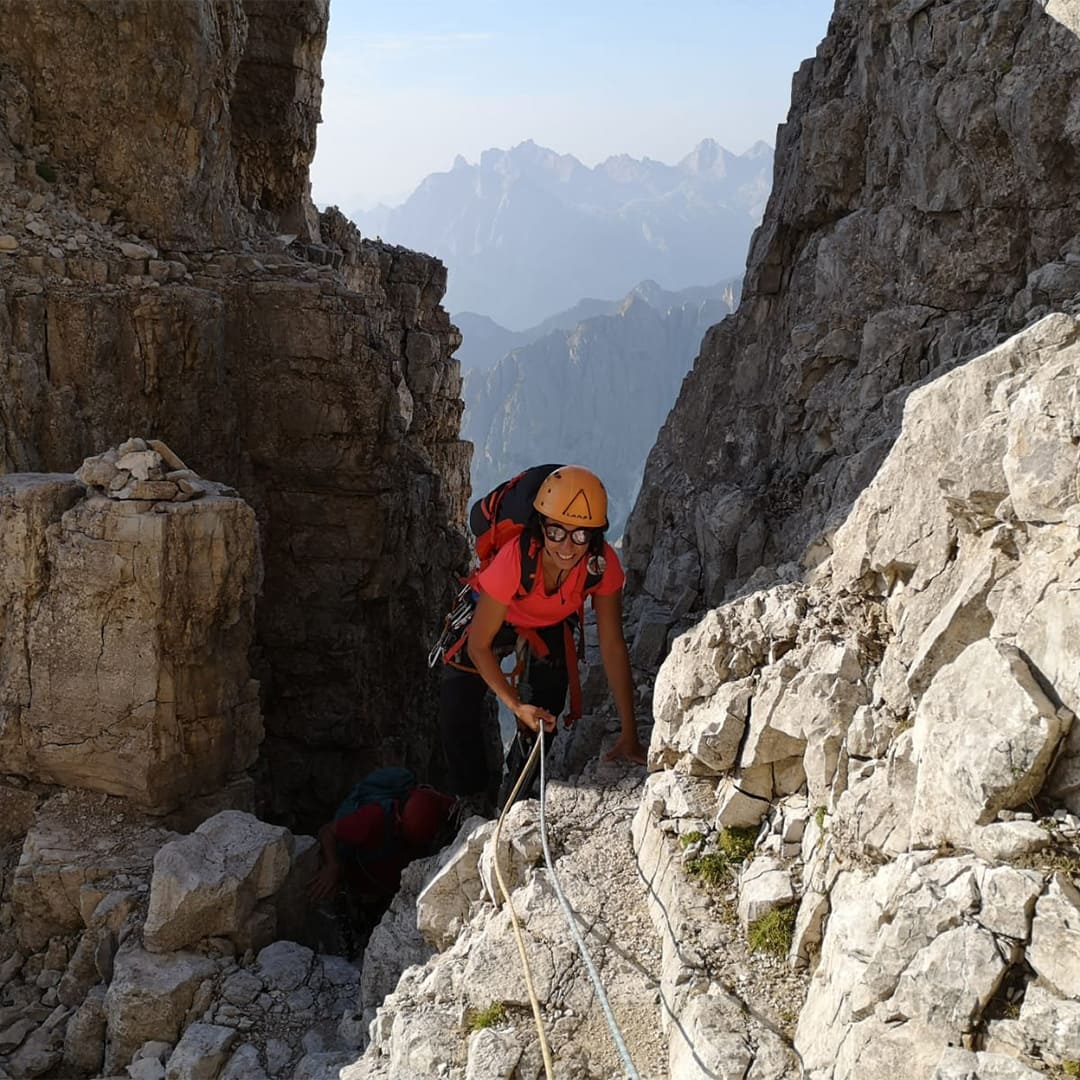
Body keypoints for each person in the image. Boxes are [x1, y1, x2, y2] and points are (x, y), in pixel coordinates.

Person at [439, 465, 647, 812]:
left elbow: (612, 645)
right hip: (499, 612)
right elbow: (478, 644)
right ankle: (471, 798)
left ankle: (516, 798)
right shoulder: (515, 559)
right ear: (540, 529)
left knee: (545, 717)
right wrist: (514, 705)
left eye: (580, 536)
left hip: (549, 624)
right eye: (556, 532)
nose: (567, 546)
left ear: (595, 537)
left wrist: (630, 733)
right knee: (457, 700)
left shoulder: (602, 566)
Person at [309, 781, 457, 902]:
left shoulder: (429, 801)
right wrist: (333, 865)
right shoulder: (371, 819)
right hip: (366, 873)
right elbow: (327, 831)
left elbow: (457, 807)